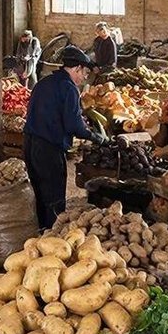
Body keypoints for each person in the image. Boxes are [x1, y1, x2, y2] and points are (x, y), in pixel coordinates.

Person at [24, 46, 108, 230]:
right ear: (77, 68)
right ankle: (52, 235)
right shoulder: (69, 89)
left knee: (39, 191)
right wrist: (95, 136)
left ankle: (40, 230)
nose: (84, 77)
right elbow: (74, 126)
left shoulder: (43, 83)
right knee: (54, 196)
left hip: (30, 144)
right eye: (84, 73)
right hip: (49, 148)